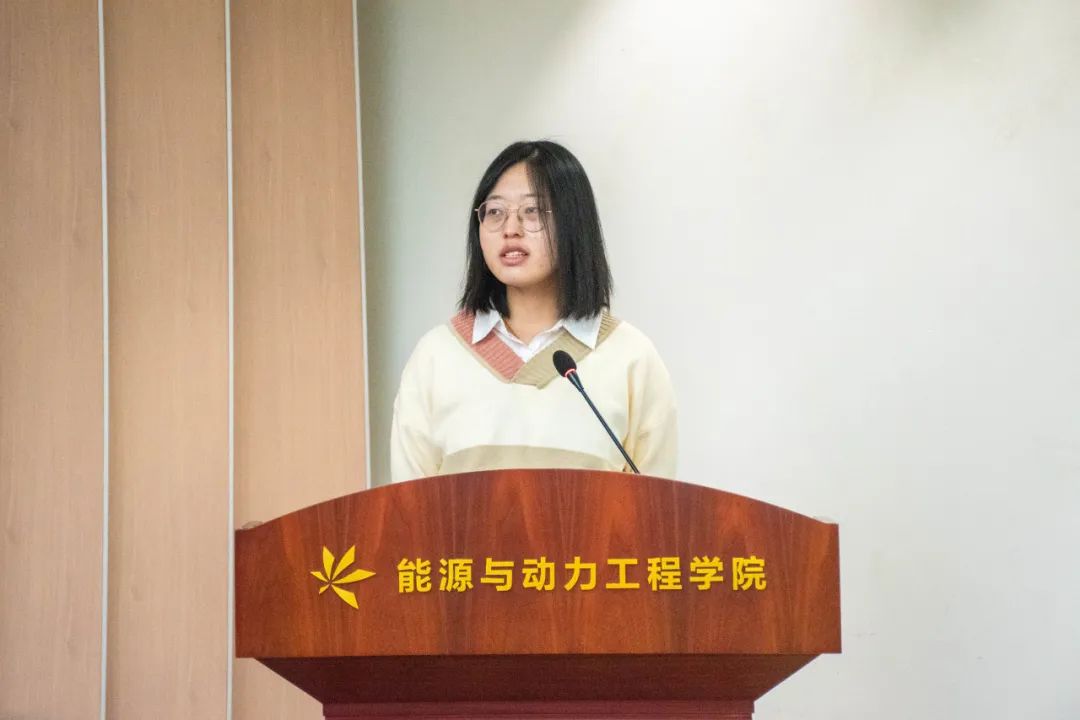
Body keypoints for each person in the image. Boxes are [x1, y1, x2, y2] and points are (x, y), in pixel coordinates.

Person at [390, 140, 677, 483]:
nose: (510, 228)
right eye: (495, 211)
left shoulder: (632, 358)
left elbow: (658, 507)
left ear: (574, 223)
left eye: (533, 211)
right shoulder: (436, 356)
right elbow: (406, 506)